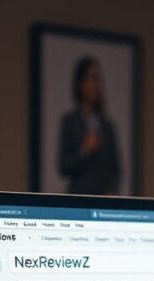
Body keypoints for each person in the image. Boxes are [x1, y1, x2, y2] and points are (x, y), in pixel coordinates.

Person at [57, 56, 121, 195]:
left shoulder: (107, 126)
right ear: (81, 84)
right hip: (78, 200)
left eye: (98, 80)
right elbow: (63, 167)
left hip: (104, 203)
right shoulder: (70, 122)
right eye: (93, 79)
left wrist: (112, 191)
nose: (97, 86)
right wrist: (85, 151)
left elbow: (116, 169)